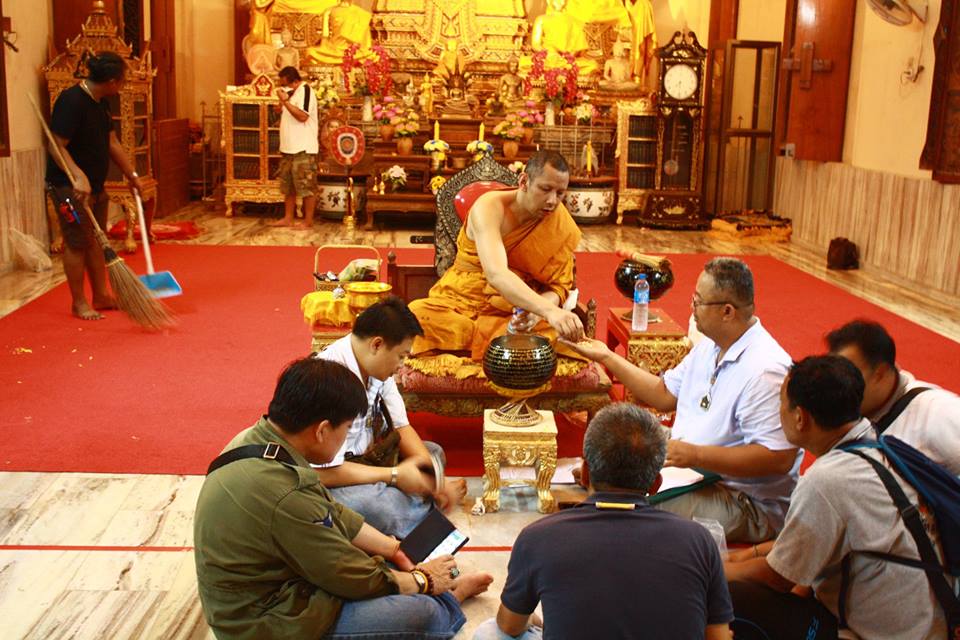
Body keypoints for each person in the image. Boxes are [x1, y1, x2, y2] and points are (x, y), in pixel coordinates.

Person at [194, 356, 493, 639]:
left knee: (391, 563)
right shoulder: (286, 495)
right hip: (266, 621)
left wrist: (395, 549)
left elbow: (331, 511)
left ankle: (434, 587)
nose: (346, 437)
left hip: (285, 581)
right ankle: (450, 598)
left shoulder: (257, 438)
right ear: (322, 430)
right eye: (347, 428)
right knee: (422, 612)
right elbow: (347, 575)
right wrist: (423, 581)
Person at [563, 258, 799, 542]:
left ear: (727, 311)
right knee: (615, 437)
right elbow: (663, 395)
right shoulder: (711, 345)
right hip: (689, 468)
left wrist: (695, 455)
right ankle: (602, 485)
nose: (692, 308)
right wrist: (606, 356)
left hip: (743, 499)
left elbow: (778, 458)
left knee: (630, 507)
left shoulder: (765, 370)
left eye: (698, 301)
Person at [724, 355, 949, 639]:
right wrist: (749, 554)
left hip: (880, 634)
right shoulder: (882, 443)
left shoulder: (826, 481)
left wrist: (715, 569)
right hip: (930, 620)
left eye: (780, 403)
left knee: (730, 596)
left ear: (800, 417)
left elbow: (778, 578)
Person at [473, 403, 734, 640]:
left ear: (585, 474)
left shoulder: (538, 537)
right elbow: (718, 636)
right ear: (656, 484)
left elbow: (509, 625)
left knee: (489, 632)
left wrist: (532, 619)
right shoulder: (698, 540)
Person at [408, 150, 585, 360]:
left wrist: (535, 314)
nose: (552, 201)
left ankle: (492, 347)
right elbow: (496, 274)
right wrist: (548, 311)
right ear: (524, 181)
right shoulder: (488, 208)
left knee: (567, 340)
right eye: (545, 189)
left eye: (560, 193)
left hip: (517, 309)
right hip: (462, 302)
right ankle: (500, 349)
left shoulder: (560, 222)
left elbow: (558, 287)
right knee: (418, 316)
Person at [315, 296, 468, 537]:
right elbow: (323, 472)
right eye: (401, 356)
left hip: (368, 461)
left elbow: (401, 426)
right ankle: (413, 511)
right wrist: (396, 476)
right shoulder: (330, 378)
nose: (402, 366)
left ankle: (414, 508)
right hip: (333, 478)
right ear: (377, 344)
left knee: (433, 453)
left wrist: (434, 480)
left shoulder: (375, 367)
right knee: (382, 508)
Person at [45, 51, 144, 321]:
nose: (123, 85)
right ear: (111, 81)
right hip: (69, 187)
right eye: (122, 80)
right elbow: (56, 145)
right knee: (77, 241)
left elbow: (112, 142)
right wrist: (78, 176)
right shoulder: (71, 101)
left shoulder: (101, 103)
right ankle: (79, 302)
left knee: (97, 240)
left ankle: (100, 295)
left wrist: (132, 174)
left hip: (96, 186)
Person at [826, 319, 960, 475]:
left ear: (880, 374)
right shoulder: (852, 411)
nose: (839, 388)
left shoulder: (940, 412)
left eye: (849, 377)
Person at [270, 66, 319, 228]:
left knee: (306, 186)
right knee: (288, 186)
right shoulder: (292, 94)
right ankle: (288, 217)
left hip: (303, 148)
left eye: (285, 84)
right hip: (288, 148)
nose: (283, 88)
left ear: (295, 81)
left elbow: (302, 116)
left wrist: (285, 101)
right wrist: (281, 108)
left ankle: (308, 220)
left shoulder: (306, 91)